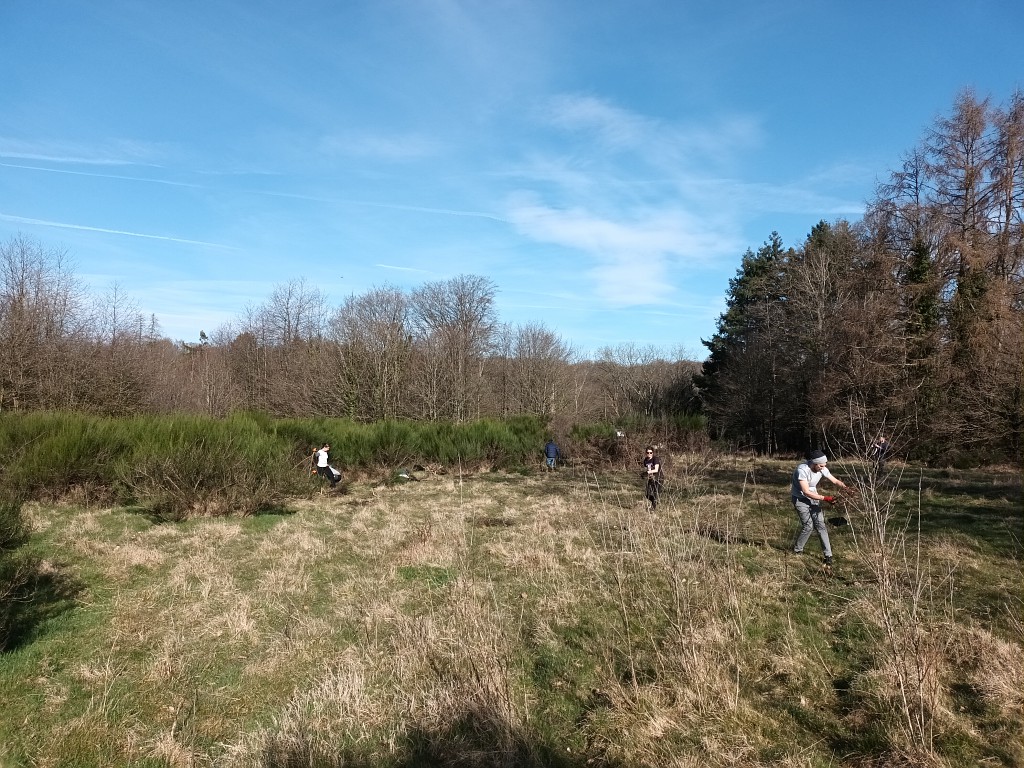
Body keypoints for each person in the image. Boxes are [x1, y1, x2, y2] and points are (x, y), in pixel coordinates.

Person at [791, 449, 849, 566]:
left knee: (821, 525)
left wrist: (846, 488)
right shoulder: (802, 470)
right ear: (814, 463)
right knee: (808, 526)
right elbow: (806, 491)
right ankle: (798, 550)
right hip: (800, 499)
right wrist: (825, 498)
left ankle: (828, 555)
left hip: (814, 498)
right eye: (821, 465)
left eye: (824, 465)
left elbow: (834, 480)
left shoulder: (822, 468)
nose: (823, 468)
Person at [642, 446, 662, 511]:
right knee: (647, 494)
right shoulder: (645, 460)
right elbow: (648, 469)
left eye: (651, 452)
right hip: (651, 478)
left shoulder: (655, 459)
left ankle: (653, 509)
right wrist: (645, 475)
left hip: (658, 478)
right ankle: (654, 502)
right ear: (646, 453)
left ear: (653, 453)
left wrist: (647, 472)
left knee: (655, 494)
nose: (649, 454)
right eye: (648, 452)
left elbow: (656, 470)